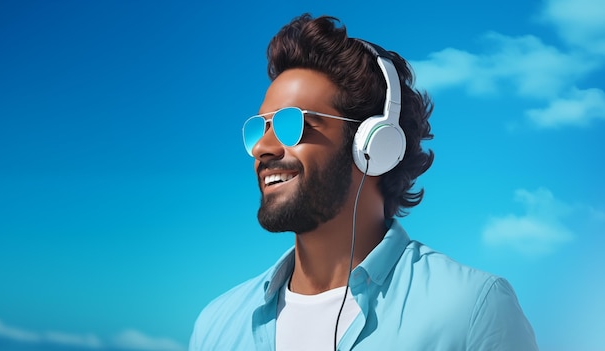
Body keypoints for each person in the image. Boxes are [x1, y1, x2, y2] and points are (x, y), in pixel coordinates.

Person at [189, 13, 538, 351]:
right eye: (259, 128)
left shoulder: (472, 310)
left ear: (373, 145)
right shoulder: (217, 325)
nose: (263, 148)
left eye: (290, 125)